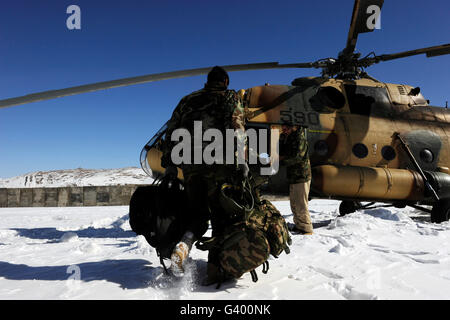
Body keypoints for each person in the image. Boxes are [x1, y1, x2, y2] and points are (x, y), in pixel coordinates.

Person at [160, 66, 248, 284]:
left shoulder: (188, 100)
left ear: (207, 81)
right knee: (221, 216)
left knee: (196, 213)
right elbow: (238, 130)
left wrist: (169, 162)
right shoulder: (230, 98)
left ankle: (184, 245)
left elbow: (171, 131)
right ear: (226, 81)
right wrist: (243, 160)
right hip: (220, 165)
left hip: (191, 166)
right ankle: (214, 271)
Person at [279, 124, 313, 235]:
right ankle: (299, 225)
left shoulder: (299, 138)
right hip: (294, 176)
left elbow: (297, 157)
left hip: (301, 176)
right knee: (294, 204)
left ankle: (307, 229)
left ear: (294, 127)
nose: (283, 129)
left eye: (286, 127)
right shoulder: (289, 138)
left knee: (301, 204)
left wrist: (280, 161)